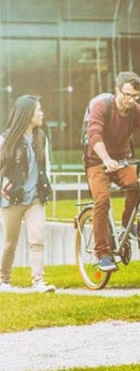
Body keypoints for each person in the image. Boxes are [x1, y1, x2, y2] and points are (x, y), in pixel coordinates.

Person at [85, 71, 140, 272]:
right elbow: (94, 134)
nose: (130, 100)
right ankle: (103, 254)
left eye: (135, 96)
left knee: (135, 186)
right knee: (102, 200)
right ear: (117, 91)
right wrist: (106, 158)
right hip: (97, 161)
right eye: (126, 95)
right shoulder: (102, 107)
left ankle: (126, 224)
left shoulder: (137, 110)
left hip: (122, 160)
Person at [0, 95, 55, 293]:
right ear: (27, 114)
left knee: (37, 240)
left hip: (35, 198)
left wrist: (45, 185)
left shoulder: (41, 137)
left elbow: (45, 165)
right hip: (11, 199)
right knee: (9, 243)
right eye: (38, 110)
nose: (42, 113)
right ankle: (3, 280)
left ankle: (38, 281)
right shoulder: (5, 139)